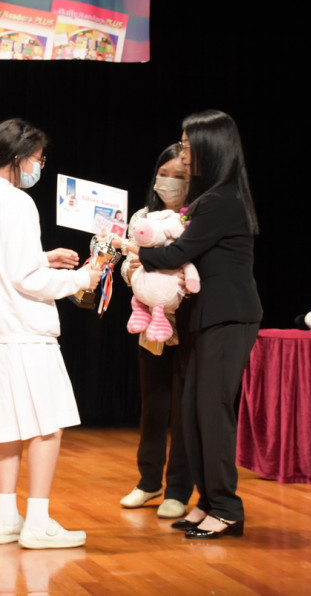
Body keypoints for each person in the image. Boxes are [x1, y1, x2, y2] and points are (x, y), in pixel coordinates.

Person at [110, 110, 262, 539]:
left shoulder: (220, 200)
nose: (183, 153)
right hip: (205, 318)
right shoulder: (211, 198)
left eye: (189, 146)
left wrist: (134, 251)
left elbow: (177, 253)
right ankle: (208, 501)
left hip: (228, 317)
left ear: (211, 148)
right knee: (193, 409)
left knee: (211, 411)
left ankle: (227, 508)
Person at [0, 118, 103, 550]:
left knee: (8, 425)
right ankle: (37, 520)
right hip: (22, 331)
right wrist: (82, 278)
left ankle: (6, 518)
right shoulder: (17, 202)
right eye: (38, 158)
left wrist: (43, 257)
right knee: (47, 423)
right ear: (20, 158)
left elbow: (1, 263)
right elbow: (25, 279)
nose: (39, 166)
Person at [117, 144, 194, 519]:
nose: (170, 182)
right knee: (153, 408)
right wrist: (130, 271)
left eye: (180, 176)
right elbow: (128, 261)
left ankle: (178, 489)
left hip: (188, 326)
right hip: (151, 327)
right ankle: (149, 481)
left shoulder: (196, 218)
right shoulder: (142, 217)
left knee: (183, 412)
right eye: (165, 174)